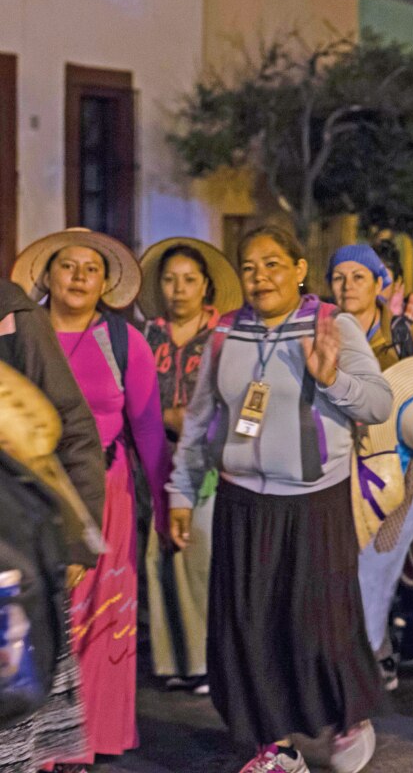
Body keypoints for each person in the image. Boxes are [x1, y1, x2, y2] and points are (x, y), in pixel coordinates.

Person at [168, 226, 392, 773]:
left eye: (272, 264)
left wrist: (332, 376)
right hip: (242, 503)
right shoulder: (223, 336)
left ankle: (346, 721)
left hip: (316, 502)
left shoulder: (331, 325)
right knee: (247, 627)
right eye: (249, 266)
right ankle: (273, 746)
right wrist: (180, 490)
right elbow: (200, 421)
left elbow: (380, 404)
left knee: (319, 624)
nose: (260, 276)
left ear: (297, 269)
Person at [11, 229, 172, 769]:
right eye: (67, 266)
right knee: (46, 616)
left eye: (91, 268)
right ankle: (39, 742)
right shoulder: (19, 334)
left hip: (110, 498)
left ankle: (90, 738)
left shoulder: (126, 342)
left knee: (102, 622)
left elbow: (148, 431)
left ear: (105, 283)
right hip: (33, 499)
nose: (79, 276)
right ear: (47, 276)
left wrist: (170, 503)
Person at [0, 277, 105, 773]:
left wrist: (78, 541)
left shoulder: (17, 317)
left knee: (11, 716)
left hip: (13, 542)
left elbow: (74, 428)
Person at [326, 243, 413, 691]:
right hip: (337, 468)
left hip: (399, 470)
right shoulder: (320, 332)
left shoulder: (408, 334)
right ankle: (358, 651)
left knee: (376, 566)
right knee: (343, 566)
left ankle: (372, 647)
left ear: (380, 284)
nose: (348, 285)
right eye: (339, 277)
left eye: (359, 277)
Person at [138, 237, 241, 697]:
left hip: (206, 461)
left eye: (189, 280)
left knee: (197, 550)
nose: (178, 289)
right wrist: (163, 418)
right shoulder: (144, 337)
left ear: (206, 287)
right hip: (151, 457)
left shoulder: (223, 338)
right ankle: (171, 659)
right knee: (158, 554)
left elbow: (239, 398)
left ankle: (204, 657)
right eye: (169, 280)